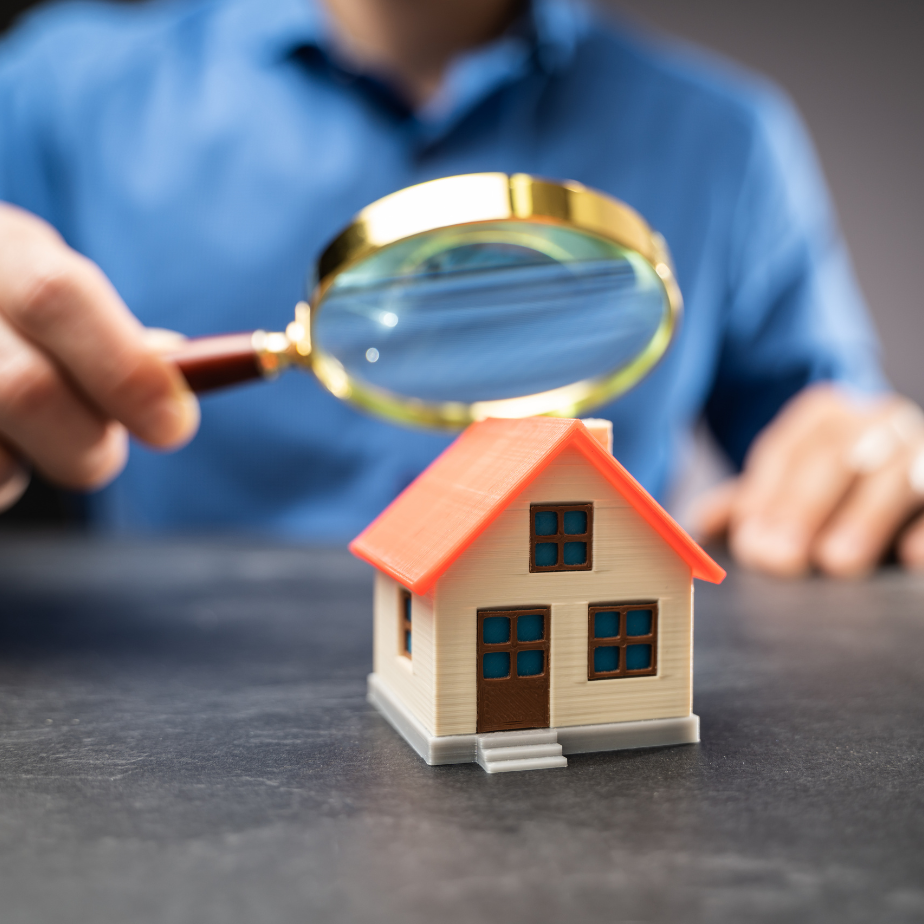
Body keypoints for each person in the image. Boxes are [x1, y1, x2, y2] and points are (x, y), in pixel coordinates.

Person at [0, 0, 922, 578]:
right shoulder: (60, 88)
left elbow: (825, 438)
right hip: (175, 746)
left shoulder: (728, 136)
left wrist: (877, 457)